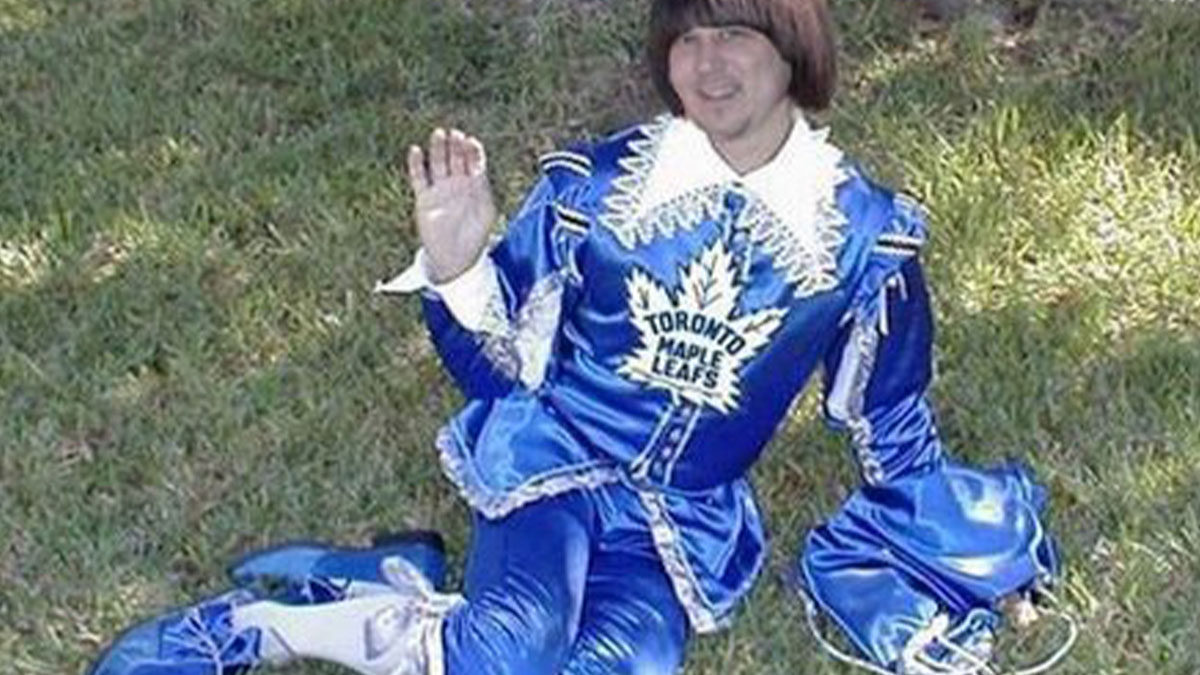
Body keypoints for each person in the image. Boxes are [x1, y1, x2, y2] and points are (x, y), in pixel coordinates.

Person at [89, 0, 1065, 674]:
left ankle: (397, 580)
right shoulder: (592, 192)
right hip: (553, 466)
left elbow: (891, 418)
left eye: (736, 33)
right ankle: (254, 628)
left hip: (680, 522)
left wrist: (976, 555)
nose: (709, 64)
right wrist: (463, 264)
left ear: (795, 45)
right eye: (687, 40)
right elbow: (499, 374)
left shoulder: (862, 238)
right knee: (508, 653)